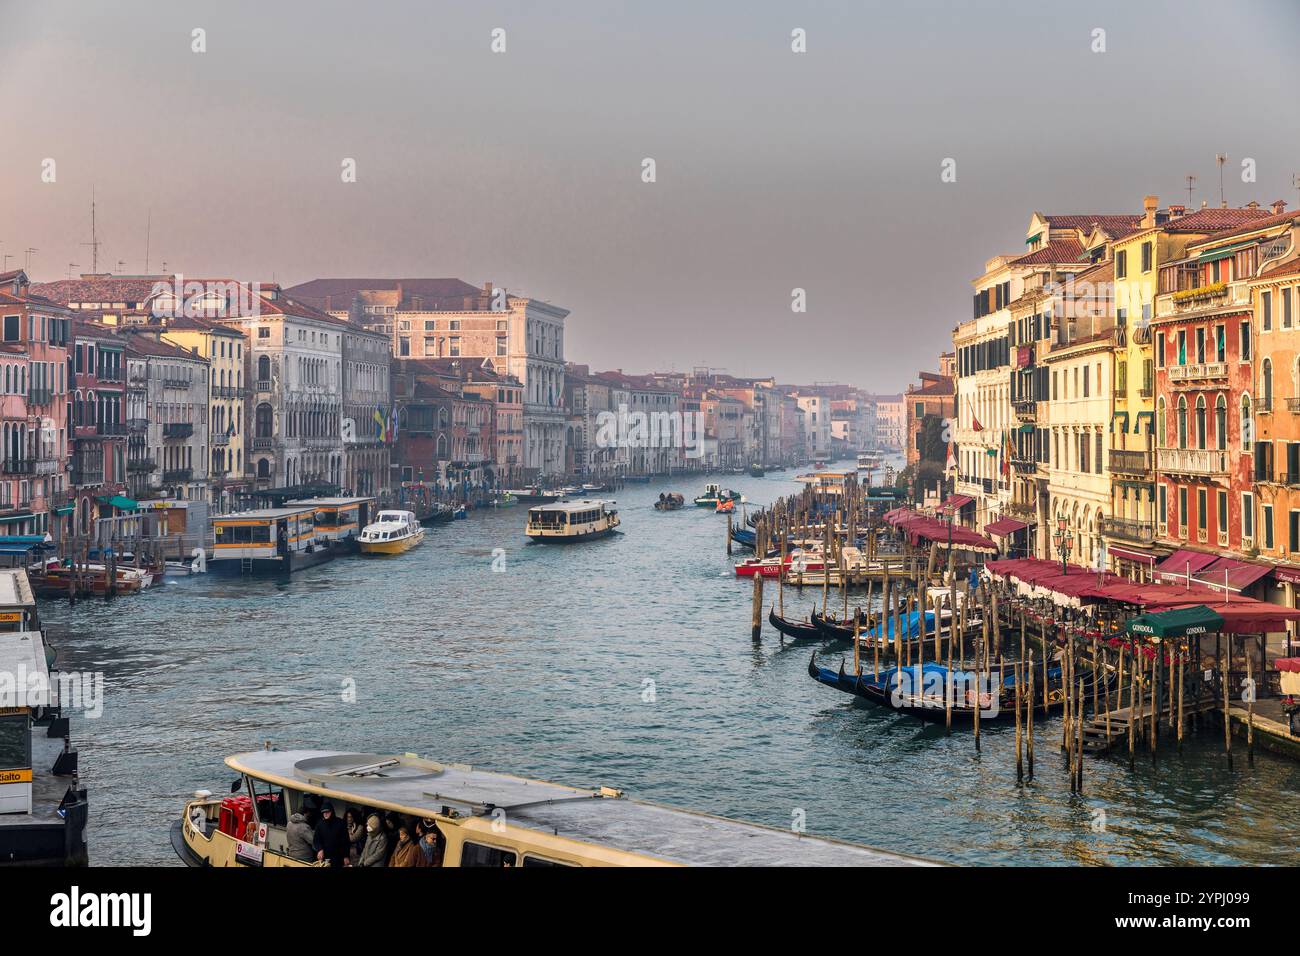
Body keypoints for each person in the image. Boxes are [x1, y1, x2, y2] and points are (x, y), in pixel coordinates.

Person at [312, 801, 349, 867]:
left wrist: (346, 856)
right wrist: (320, 849)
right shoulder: (319, 824)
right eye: (323, 812)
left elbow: (345, 841)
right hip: (325, 857)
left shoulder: (340, 823)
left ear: (332, 812)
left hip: (338, 857)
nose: (325, 814)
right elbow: (316, 839)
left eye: (327, 812)